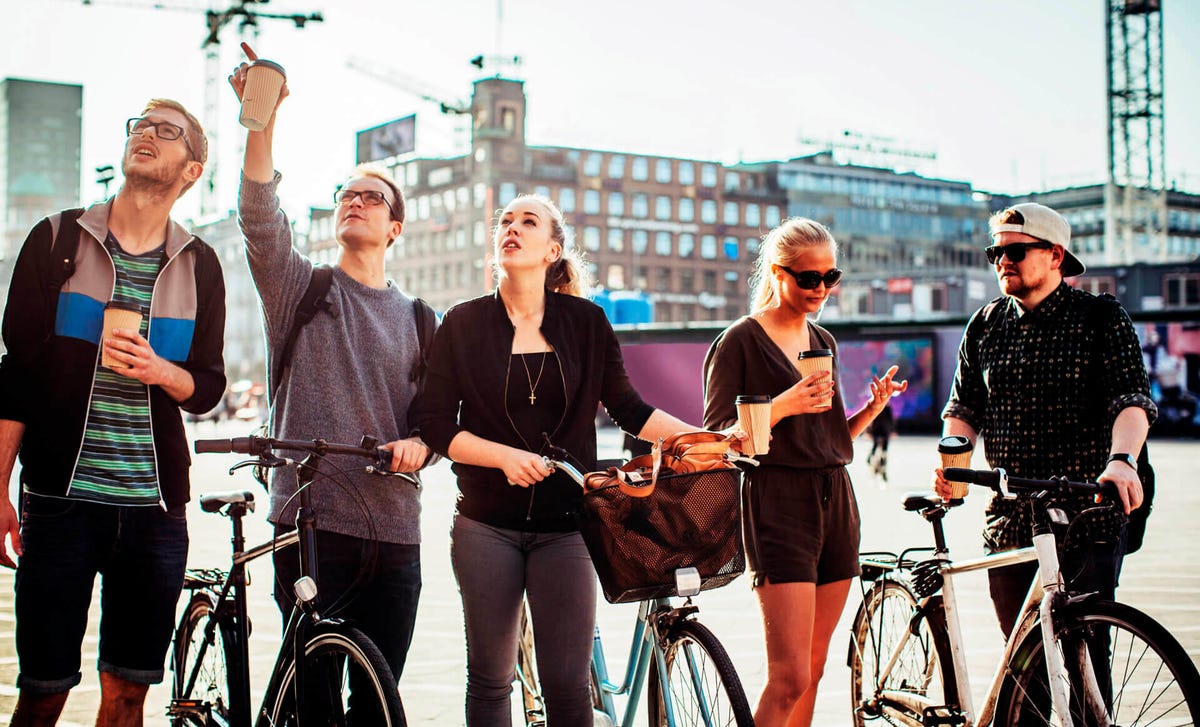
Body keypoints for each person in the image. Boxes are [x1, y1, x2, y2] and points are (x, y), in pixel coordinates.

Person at [413, 193, 708, 726]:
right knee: (489, 679)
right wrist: (501, 457)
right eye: (505, 220)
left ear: (552, 250)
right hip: (484, 526)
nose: (512, 228)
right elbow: (433, 422)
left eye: (528, 222)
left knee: (569, 687)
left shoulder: (587, 323)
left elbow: (628, 408)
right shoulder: (461, 322)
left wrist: (704, 438)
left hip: (568, 526)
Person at [0, 99, 226, 725]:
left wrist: (160, 371)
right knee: (43, 691)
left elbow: (207, 388)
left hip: (155, 512)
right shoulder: (55, 239)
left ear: (192, 169)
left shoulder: (200, 264)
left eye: (167, 131)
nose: (147, 135)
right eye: (141, 126)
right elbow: (15, 376)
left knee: (128, 694)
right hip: (60, 503)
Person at [231, 45, 433, 702]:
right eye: (346, 194)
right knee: (311, 700)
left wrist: (422, 447)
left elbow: (437, 422)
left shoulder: (422, 318)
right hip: (310, 524)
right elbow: (261, 218)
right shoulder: (302, 288)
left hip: (396, 532)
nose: (355, 201)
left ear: (394, 226)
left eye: (372, 197)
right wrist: (262, 122)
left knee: (378, 702)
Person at [702, 218, 907, 727]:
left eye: (830, 278)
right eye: (808, 278)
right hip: (776, 502)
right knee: (788, 675)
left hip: (836, 497)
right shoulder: (739, 342)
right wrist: (784, 403)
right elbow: (718, 437)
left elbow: (829, 441)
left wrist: (870, 411)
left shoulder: (824, 341)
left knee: (814, 670)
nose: (821, 289)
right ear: (778, 273)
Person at [935, 202, 1156, 638]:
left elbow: (1131, 400)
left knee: (1086, 655)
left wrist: (1122, 460)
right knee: (1022, 667)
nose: (1002, 262)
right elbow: (963, 410)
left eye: (1015, 253)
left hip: (1083, 513)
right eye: (994, 253)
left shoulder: (1101, 318)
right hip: (1009, 517)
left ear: (1055, 256)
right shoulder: (985, 325)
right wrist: (952, 462)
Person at [866, 401, 895, 481]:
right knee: (876, 447)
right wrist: (868, 431)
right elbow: (870, 419)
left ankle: (881, 463)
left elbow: (890, 421)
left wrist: (892, 430)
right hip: (878, 430)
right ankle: (872, 458)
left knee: (883, 449)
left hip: (883, 431)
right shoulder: (878, 406)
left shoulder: (887, 408)